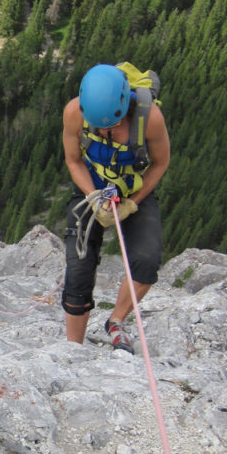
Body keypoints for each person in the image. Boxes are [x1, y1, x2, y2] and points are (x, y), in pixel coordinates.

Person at [61, 63, 170, 352]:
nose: (103, 130)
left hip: (134, 190)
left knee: (146, 261)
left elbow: (160, 162)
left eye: (111, 124)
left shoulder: (150, 119)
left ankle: (116, 320)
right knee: (77, 272)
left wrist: (132, 203)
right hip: (91, 186)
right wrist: (93, 196)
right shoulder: (75, 112)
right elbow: (74, 160)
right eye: (98, 125)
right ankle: (74, 351)